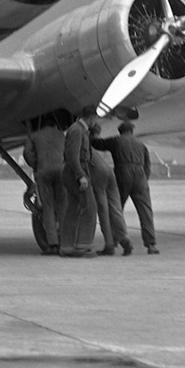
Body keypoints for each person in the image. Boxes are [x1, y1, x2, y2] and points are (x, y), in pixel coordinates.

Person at [92, 120, 158, 253]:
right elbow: (147, 166)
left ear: (120, 131)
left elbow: (98, 144)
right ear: (132, 131)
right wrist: (143, 179)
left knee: (115, 208)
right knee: (145, 211)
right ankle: (151, 245)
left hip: (123, 173)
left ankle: (113, 242)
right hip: (140, 176)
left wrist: (93, 133)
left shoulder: (116, 140)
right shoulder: (141, 144)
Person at [22, 117, 66, 256]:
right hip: (61, 170)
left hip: (44, 171)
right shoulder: (61, 135)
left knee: (48, 207)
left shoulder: (35, 135)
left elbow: (27, 153)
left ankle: (52, 244)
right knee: (62, 205)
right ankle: (65, 242)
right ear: (54, 124)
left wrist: (36, 164)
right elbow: (69, 152)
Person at [88, 122, 132, 256]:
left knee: (103, 210)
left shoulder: (78, 139)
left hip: (98, 174)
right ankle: (124, 239)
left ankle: (109, 245)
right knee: (115, 208)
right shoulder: (87, 140)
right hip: (109, 171)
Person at [59, 107, 98, 258]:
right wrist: (81, 176)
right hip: (76, 170)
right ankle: (82, 246)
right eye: (96, 118)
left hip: (76, 170)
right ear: (92, 117)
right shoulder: (77, 130)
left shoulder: (80, 130)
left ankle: (67, 247)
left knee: (73, 210)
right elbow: (72, 156)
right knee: (89, 206)